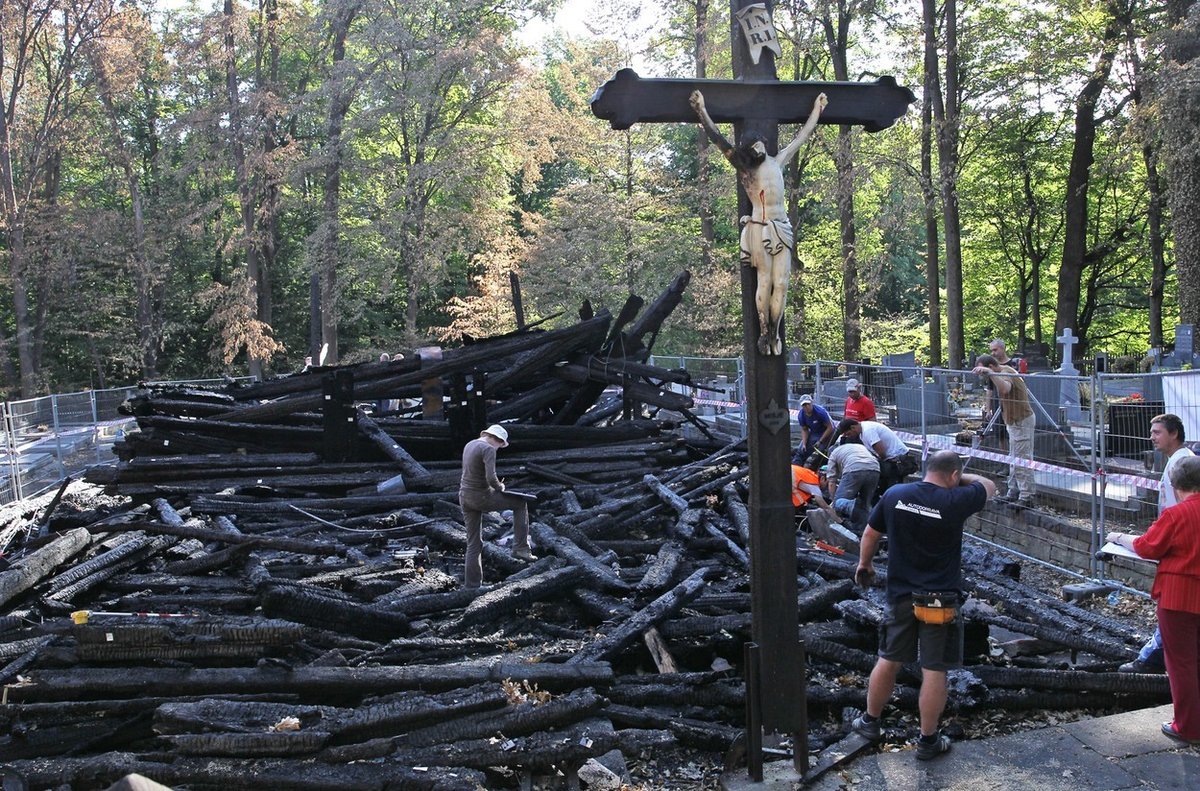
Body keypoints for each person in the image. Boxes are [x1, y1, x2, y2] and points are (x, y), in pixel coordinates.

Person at [852, 450, 995, 759]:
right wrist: (960, 479)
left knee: (888, 659)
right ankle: (928, 740)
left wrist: (865, 564)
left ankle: (870, 722)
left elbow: (870, 532)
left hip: (900, 595)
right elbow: (989, 485)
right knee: (934, 670)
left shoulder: (895, 494)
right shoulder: (956, 501)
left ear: (926, 469)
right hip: (939, 601)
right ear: (954, 476)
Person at [690, 89, 828, 356]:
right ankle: (764, 332)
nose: (760, 149)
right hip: (759, 227)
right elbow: (718, 139)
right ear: (749, 151)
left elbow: (802, 137)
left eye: (761, 145)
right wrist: (701, 110)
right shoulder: (745, 170)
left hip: (782, 227)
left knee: (783, 283)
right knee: (764, 281)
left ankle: (775, 333)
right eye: (754, 147)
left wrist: (817, 110)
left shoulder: (778, 161)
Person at [1106, 456, 1200, 744]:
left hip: (1179, 596)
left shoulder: (1176, 514)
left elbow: (1148, 546)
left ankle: (1188, 727)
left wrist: (1120, 537)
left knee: (1181, 663)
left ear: (1174, 484)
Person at [1121, 413, 1195, 674]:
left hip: (1180, 544)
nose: (1151, 437)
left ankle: (1150, 658)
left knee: (1174, 605)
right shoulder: (1175, 460)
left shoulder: (1182, 462)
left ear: (1173, 434)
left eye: (1157, 432)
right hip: (1176, 537)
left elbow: (1179, 508)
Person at [458, 424, 535, 588]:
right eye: (501, 444)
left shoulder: (470, 444)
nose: (500, 448)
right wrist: (501, 487)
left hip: (464, 496)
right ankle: (521, 547)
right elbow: (491, 478)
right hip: (481, 496)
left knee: (473, 543)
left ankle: (472, 586)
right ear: (497, 439)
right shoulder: (488, 449)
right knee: (521, 503)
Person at [971, 354, 1035, 504]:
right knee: (1013, 458)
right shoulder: (1001, 372)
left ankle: (1026, 496)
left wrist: (990, 374)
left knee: (1022, 460)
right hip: (1013, 421)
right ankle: (1013, 491)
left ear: (991, 367)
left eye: (983, 372)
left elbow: (1005, 389)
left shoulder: (1006, 372)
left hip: (1021, 421)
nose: (983, 376)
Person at [835, 418, 916, 498]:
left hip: (896, 459)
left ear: (853, 427)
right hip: (890, 458)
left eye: (848, 434)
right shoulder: (863, 430)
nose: (849, 436)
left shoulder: (868, 431)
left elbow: (881, 452)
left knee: (891, 490)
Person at [825, 441, 881, 532]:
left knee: (838, 502)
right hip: (875, 468)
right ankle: (863, 530)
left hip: (854, 468)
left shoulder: (833, 454)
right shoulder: (857, 446)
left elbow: (831, 481)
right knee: (866, 505)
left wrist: (833, 501)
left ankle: (853, 504)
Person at [792, 394, 834, 466]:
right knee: (801, 449)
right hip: (814, 432)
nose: (807, 407)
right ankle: (796, 466)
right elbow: (805, 429)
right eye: (804, 405)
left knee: (818, 451)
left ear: (812, 403)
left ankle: (813, 466)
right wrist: (804, 444)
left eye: (808, 404)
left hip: (827, 431)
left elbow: (830, 427)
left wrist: (820, 441)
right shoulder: (801, 415)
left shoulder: (820, 412)